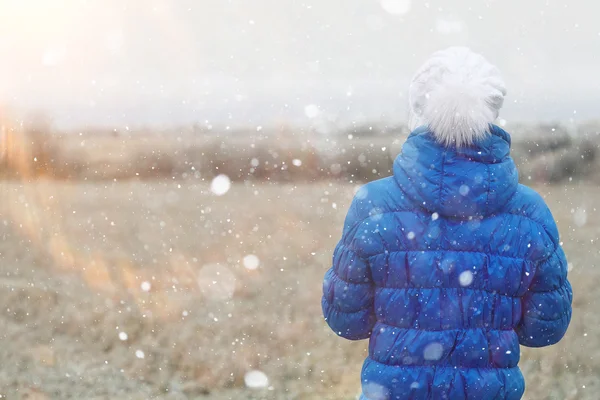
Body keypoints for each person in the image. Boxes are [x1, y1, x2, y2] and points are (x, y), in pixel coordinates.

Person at [321, 47, 573, 400]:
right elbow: (546, 328)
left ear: (417, 111)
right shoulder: (530, 213)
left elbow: (346, 321)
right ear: (493, 114)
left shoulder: (373, 205)